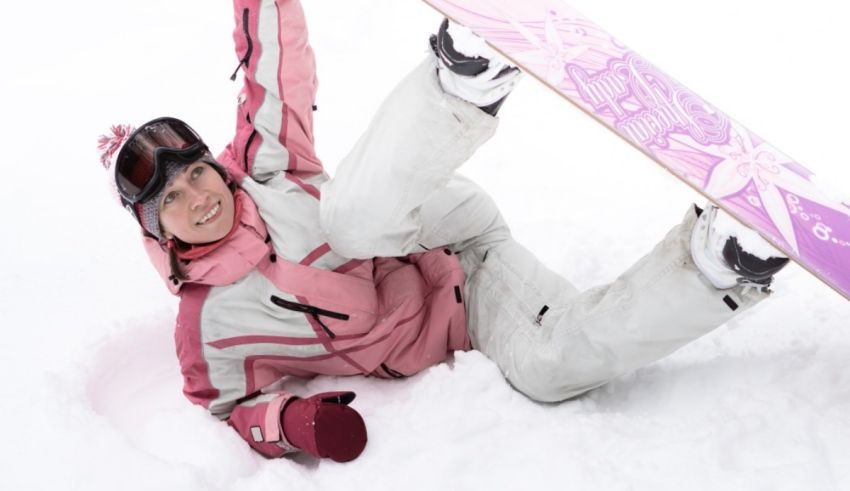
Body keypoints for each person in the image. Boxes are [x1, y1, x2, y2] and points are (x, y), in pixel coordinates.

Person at [98, 0, 788, 463]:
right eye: (175, 200)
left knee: (348, 219)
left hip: (424, 223)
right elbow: (233, 404)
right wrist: (296, 424)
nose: (199, 197)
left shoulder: (265, 166)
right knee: (549, 369)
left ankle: (463, 79)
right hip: (469, 296)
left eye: (196, 174)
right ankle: (719, 263)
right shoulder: (207, 329)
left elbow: (275, 61)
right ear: (159, 231)